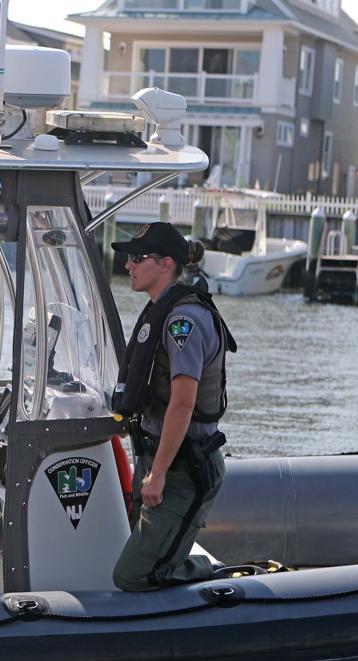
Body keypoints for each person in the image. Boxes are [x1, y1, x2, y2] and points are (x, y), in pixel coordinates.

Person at [109, 222, 238, 592]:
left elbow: (182, 403)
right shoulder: (160, 311)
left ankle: (208, 570)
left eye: (137, 258)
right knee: (139, 560)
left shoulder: (183, 322)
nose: (128, 265)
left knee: (131, 575)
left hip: (181, 469)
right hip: (154, 458)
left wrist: (159, 474)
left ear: (166, 263)